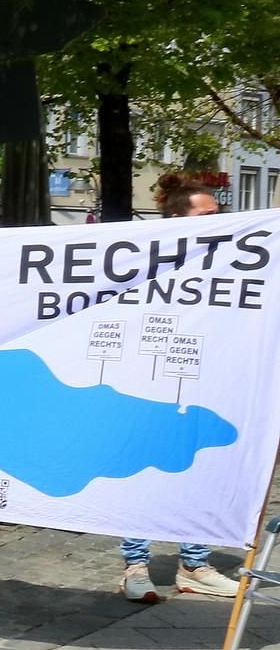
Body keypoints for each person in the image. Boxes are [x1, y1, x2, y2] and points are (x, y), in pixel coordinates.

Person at [121, 173, 236, 602]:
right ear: (178, 218)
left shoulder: (231, 258)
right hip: (146, 381)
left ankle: (195, 564)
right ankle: (135, 563)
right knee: (142, 470)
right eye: (208, 214)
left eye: (218, 213)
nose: (218, 220)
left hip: (204, 380)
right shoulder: (143, 257)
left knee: (198, 468)